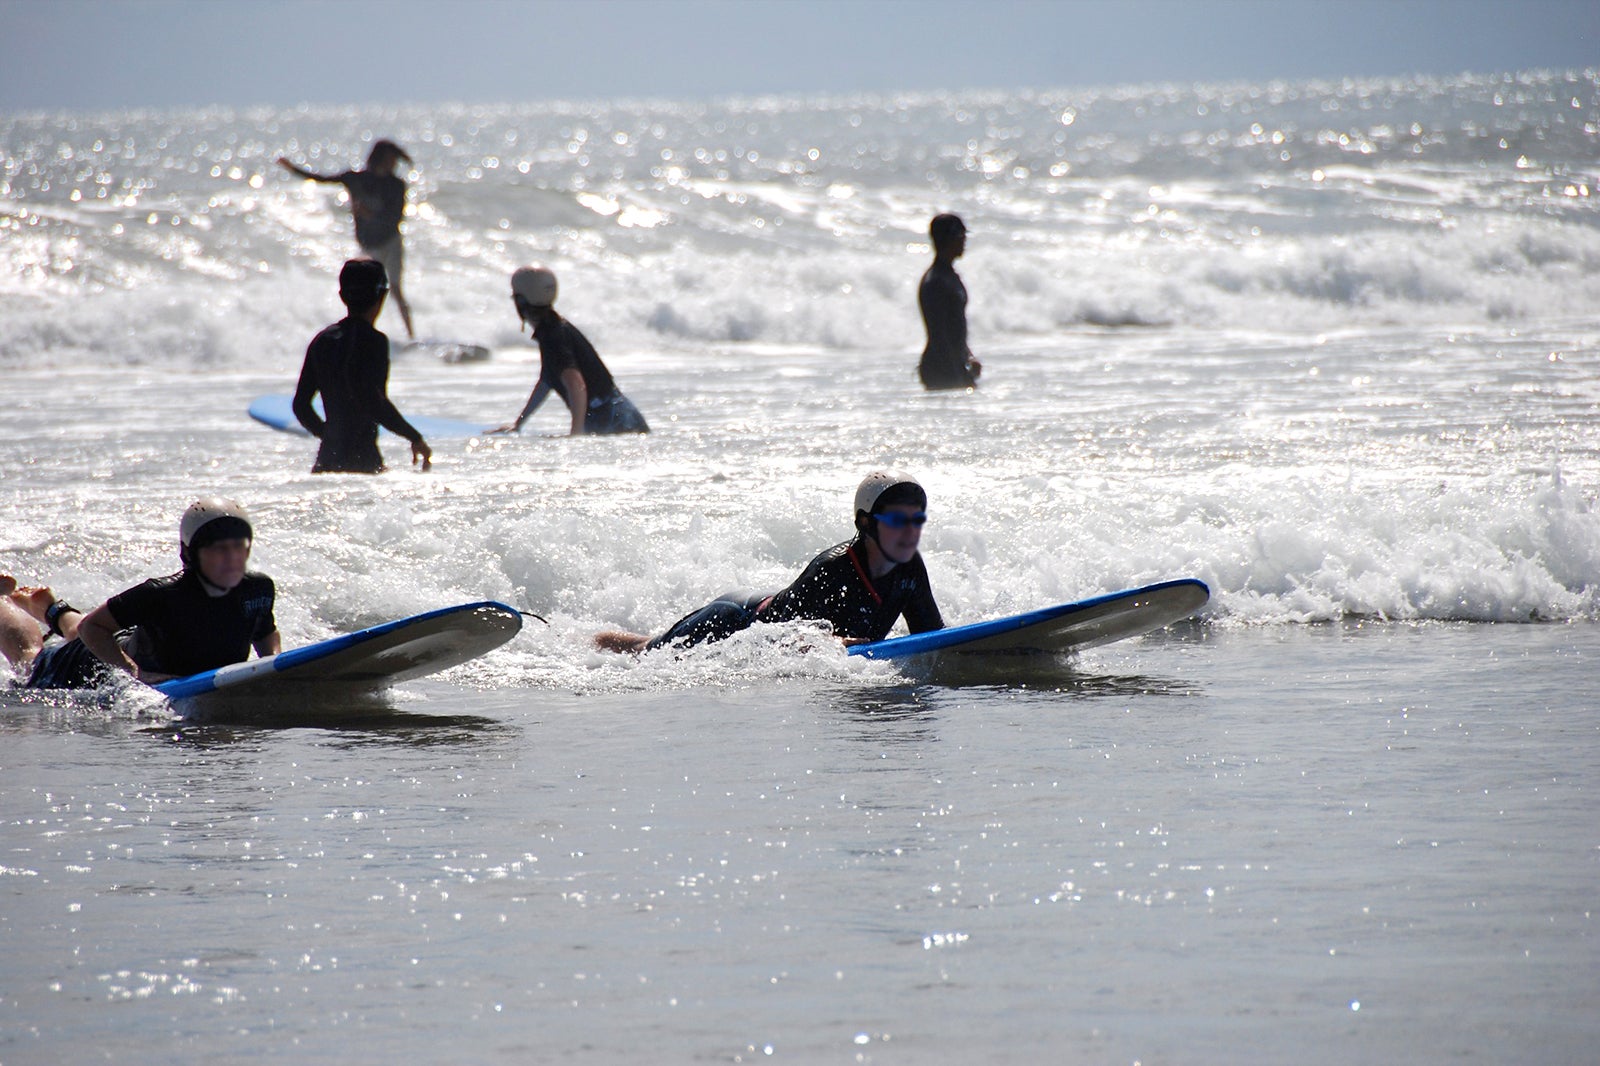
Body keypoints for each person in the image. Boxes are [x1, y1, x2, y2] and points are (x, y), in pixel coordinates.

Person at [595, 471, 944, 654]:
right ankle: (591, 642)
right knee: (645, 651)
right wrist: (833, 644)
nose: (911, 531)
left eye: (917, 520)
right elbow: (788, 638)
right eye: (900, 521)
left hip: (761, 601)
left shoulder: (910, 568)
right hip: (736, 620)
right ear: (866, 523)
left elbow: (931, 638)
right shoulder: (833, 570)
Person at [1, 499, 280, 689]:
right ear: (191, 552)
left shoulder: (258, 588)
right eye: (217, 548)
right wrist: (135, 674)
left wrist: (273, 664)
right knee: (28, 661)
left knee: (89, 633)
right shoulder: (162, 593)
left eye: (237, 546)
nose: (229, 557)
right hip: (98, 657)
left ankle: (52, 608)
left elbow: (265, 631)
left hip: (124, 639)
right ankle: (3, 600)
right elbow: (92, 627)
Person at [293, 258, 433, 474]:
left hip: (326, 462)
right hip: (363, 462)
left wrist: (329, 437)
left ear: (342, 296)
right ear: (383, 296)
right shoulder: (374, 341)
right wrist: (414, 436)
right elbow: (373, 400)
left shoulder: (321, 340)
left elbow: (301, 405)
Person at [278, 139, 417, 338]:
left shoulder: (396, 185)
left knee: (394, 289)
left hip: (390, 242)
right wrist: (293, 169)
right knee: (366, 292)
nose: (393, 164)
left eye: (395, 160)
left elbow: (395, 218)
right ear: (379, 159)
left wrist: (371, 215)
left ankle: (411, 336)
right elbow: (321, 179)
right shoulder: (355, 179)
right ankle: (364, 333)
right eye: (391, 159)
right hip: (368, 244)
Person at [490, 266, 650, 437]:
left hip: (609, 417)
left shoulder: (553, 336)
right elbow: (546, 381)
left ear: (521, 302)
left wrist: (576, 433)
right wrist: (519, 423)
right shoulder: (552, 329)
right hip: (616, 413)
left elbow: (575, 383)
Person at [918, 212, 982, 391]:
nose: (964, 242)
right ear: (949, 238)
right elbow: (940, 335)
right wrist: (958, 373)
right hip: (941, 367)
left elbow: (954, 329)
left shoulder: (949, 276)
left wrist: (967, 357)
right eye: (961, 236)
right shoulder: (936, 281)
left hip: (954, 364)